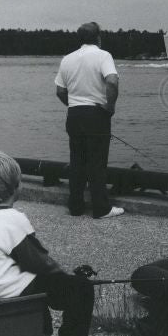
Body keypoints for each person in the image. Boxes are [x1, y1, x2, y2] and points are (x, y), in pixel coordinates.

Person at [0, 151, 109, 336]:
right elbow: (40, 262)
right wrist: (69, 277)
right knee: (79, 288)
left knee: (34, 281)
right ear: (15, 187)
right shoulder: (12, 219)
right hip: (9, 288)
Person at [54, 22, 124, 219]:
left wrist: (74, 104)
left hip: (74, 114)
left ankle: (75, 206)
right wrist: (110, 106)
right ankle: (101, 208)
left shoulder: (67, 59)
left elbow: (60, 90)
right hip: (96, 114)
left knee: (77, 162)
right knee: (97, 162)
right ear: (98, 37)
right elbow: (112, 81)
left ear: (80, 39)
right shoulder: (103, 56)